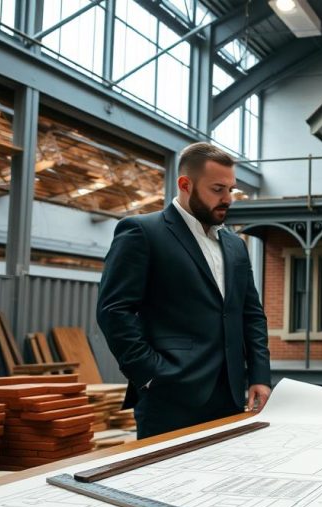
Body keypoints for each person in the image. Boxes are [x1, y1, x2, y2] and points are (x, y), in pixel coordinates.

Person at [97, 142, 271, 439]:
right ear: (185, 184)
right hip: (169, 398)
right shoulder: (142, 232)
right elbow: (114, 311)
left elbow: (250, 315)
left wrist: (259, 376)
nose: (227, 199)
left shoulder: (235, 245)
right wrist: (150, 375)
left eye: (231, 190)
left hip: (229, 396)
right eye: (218, 189)